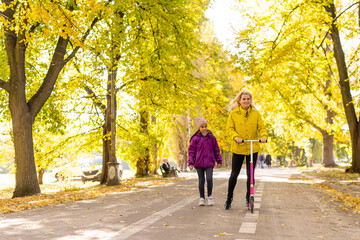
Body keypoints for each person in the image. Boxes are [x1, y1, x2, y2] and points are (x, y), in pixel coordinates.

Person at [224, 90, 267, 210]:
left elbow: (261, 127)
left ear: (250, 101)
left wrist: (263, 136)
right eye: (244, 99)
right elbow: (229, 129)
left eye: (248, 99)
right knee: (234, 174)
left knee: (251, 174)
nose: (246, 101)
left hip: (252, 147)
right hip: (238, 148)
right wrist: (235, 137)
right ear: (239, 101)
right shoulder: (233, 114)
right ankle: (229, 198)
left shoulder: (256, 114)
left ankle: (249, 198)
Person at [188, 117, 222, 206]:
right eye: (202, 127)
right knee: (201, 180)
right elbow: (191, 151)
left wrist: (219, 161)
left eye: (205, 126)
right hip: (198, 164)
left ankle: (210, 197)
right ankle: (202, 198)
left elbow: (216, 150)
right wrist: (191, 163)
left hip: (209, 163)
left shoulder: (212, 138)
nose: (204, 128)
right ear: (199, 128)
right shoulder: (195, 139)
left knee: (209, 179)